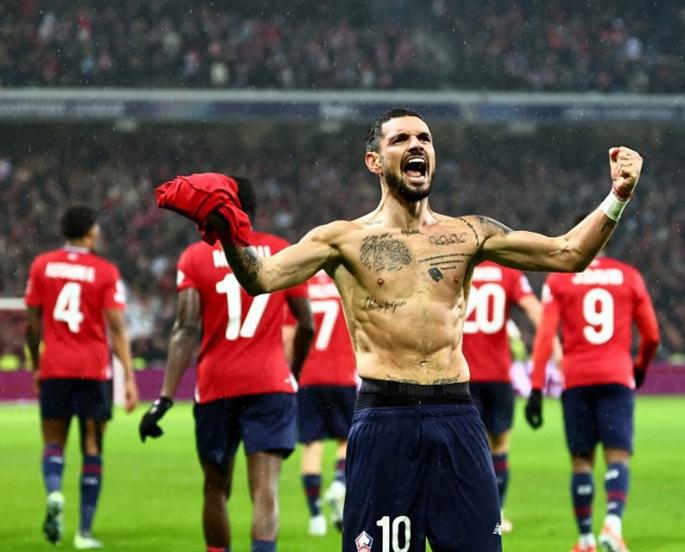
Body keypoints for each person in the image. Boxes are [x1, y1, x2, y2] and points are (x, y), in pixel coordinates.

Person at [170, 108, 644, 552]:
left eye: (424, 138)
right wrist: (227, 230)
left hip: (457, 416)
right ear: (374, 161)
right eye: (400, 139)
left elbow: (568, 253)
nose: (416, 145)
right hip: (385, 418)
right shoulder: (341, 239)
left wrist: (618, 195)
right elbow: (261, 278)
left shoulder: (470, 233)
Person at [138, 177, 315, 552]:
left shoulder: (195, 257)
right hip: (270, 383)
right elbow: (307, 325)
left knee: (215, 489)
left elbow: (185, 329)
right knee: (265, 490)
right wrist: (293, 372)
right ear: (253, 210)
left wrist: (165, 397)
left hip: (216, 385)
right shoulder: (281, 251)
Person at [526, 250, 661, 552]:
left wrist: (536, 388)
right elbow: (652, 336)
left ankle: (586, 539)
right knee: (618, 457)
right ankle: (612, 525)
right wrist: (640, 368)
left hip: (577, 381)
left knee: (581, 462)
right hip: (616, 377)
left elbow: (546, 335)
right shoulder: (629, 276)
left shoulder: (560, 279)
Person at [25, 206, 139, 549]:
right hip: (93, 368)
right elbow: (117, 328)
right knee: (92, 446)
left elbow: (32, 324)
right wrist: (129, 378)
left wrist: (36, 364)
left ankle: (54, 493)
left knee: (53, 442)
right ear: (90, 233)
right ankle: (84, 533)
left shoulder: (42, 265)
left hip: (55, 366)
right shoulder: (104, 271)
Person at [462, 259, 541, 532]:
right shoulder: (508, 272)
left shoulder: (459, 265)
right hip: (497, 375)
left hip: (463, 375)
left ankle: (471, 510)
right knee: (500, 445)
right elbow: (534, 309)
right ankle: (497, 513)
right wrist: (551, 346)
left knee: (470, 448)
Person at [282, 270, 358, 537]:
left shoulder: (301, 287)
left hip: (308, 376)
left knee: (311, 445)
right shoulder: (345, 284)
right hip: (342, 374)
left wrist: (290, 371)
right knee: (346, 439)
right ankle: (339, 483)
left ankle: (316, 518)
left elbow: (288, 337)